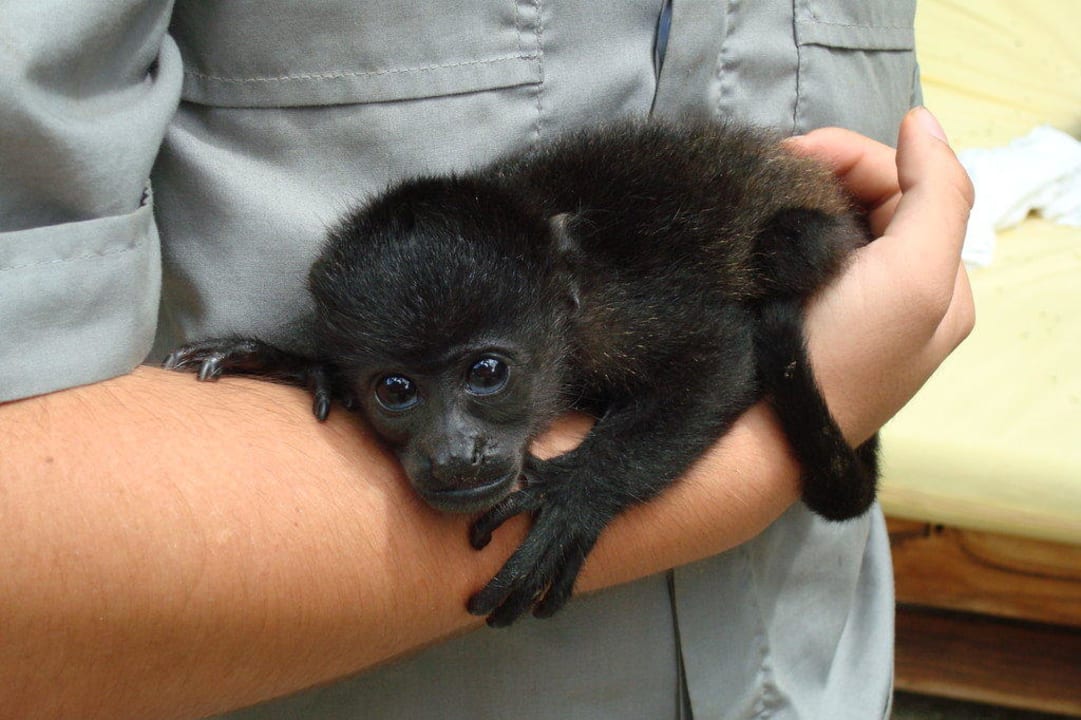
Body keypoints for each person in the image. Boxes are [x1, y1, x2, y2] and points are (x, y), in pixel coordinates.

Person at [0, 2, 973, 718]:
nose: (454, 449)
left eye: (487, 382)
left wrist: (591, 484)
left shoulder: (587, 305)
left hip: (820, 670)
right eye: (396, 394)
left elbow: (711, 350)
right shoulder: (475, 306)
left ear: (562, 310)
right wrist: (775, 440)